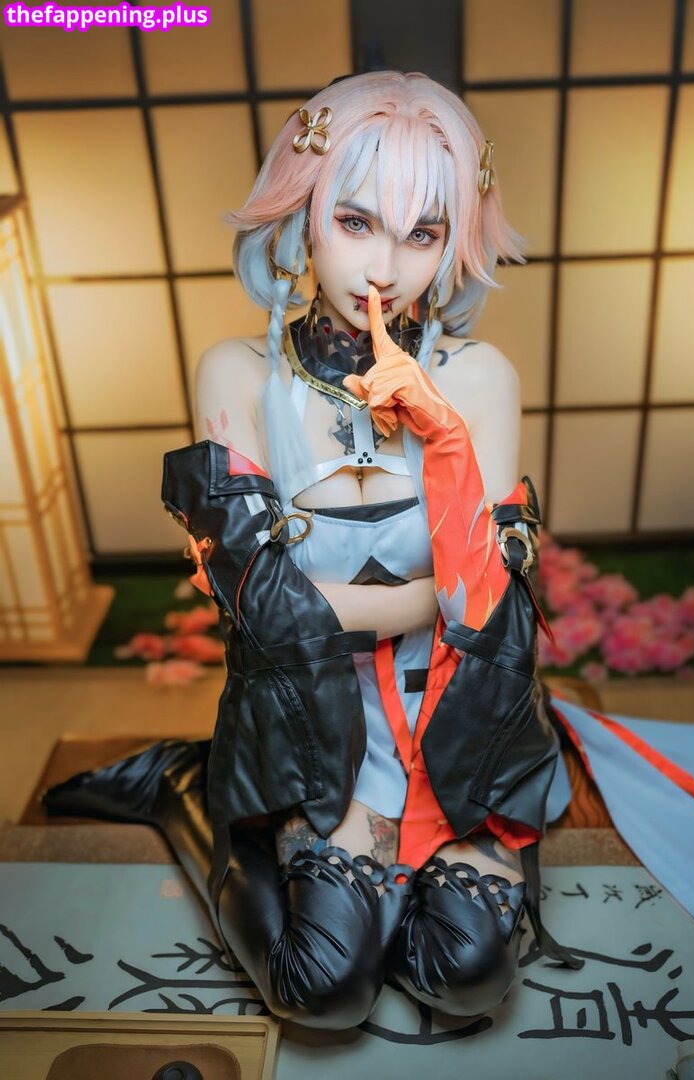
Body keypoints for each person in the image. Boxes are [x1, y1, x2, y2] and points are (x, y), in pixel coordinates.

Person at [46, 70, 583, 1028]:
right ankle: (186, 787)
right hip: (309, 713)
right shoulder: (238, 374)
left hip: (456, 713)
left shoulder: (480, 380)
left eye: (422, 233)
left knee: (463, 973)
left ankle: (410, 870)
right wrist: (424, 592)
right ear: (301, 213)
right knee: (324, 987)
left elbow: (488, 611)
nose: (386, 265)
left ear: (453, 241)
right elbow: (262, 608)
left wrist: (444, 440)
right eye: (356, 220)